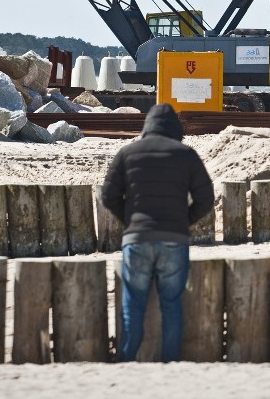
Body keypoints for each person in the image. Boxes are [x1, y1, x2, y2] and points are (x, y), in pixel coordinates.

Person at [101, 103, 214, 362]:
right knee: (171, 305)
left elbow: (108, 196)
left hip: (137, 239)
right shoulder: (186, 155)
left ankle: (127, 359)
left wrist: (130, 221)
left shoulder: (127, 153)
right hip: (174, 239)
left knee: (133, 306)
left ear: (147, 126)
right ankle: (170, 361)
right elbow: (206, 199)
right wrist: (184, 221)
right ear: (175, 128)